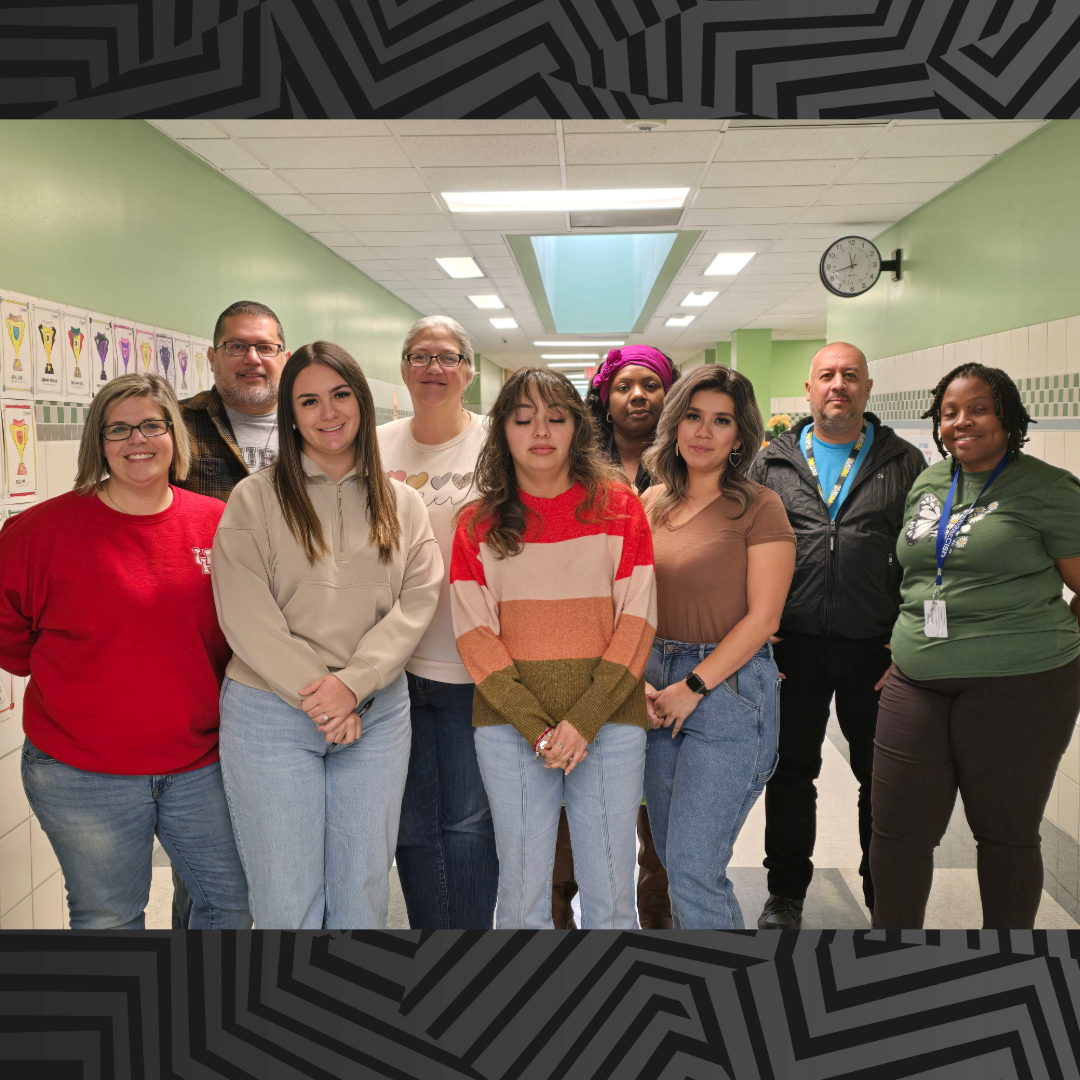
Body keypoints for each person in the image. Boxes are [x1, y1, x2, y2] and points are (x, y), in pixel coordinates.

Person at [0, 373, 251, 929]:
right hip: (82, 771)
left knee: (229, 906)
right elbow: (12, 641)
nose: (136, 440)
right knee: (109, 920)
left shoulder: (218, 523)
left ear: (174, 435)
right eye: (118, 429)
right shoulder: (40, 532)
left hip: (200, 763)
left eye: (151, 425)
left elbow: (239, 634)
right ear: (98, 441)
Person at [210, 342, 442, 929]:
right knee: (287, 901)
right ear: (290, 414)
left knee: (362, 895)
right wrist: (323, 691)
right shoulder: (255, 499)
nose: (327, 412)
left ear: (362, 402)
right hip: (271, 716)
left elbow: (418, 602)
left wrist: (355, 685)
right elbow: (244, 613)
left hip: (377, 714)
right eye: (308, 401)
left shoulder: (403, 503)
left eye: (340, 395)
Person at [872, 363, 1080, 930]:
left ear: (1008, 417)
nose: (962, 422)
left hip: (1021, 685)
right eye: (949, 412)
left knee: (1005, 834)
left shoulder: (1048, 488)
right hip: (916, 678)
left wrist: (1044, 643)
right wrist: (901, 647)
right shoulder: (931, 482)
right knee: (895, 834)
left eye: (979, 408)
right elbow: (917, 577)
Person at [450, 368, 657, 929]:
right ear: (503, 432)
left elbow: (637, 621)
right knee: (520, 889)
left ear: (577, 428)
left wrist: (584, 720)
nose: (540, 430)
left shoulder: (620, 507)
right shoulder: (477, 523)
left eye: (556, 417)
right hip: (509, 725)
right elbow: (475, 637)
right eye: (522, 419)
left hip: (610, 719)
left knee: (611, 887)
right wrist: (539, 727)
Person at [748, 342, 926, 929]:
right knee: (792, 772)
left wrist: (906, 639)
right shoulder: (771, 462)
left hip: (873, 648)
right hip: (790, 648)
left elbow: (926, 562)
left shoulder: (904, 462)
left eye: (851, 376)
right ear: (808, 389)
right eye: (826, 375)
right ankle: (786, 895)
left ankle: (884, 896)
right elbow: (738, 547)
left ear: (868, 389)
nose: (838, 386)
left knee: (881, 779)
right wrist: (754, 628)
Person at [640, 364, 794, 928]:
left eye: (721, 420)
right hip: (654, 685)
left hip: (726, 690)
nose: (703, 432)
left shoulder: (759, 506)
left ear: (739, 434)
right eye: (693, 417)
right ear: (675, 425)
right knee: (672, 860)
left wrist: (694, 685)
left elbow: (764, 617)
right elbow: (625, 602)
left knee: (693, 871)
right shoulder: (649, 502)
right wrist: (640, 681)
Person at [169, 298, 291, 927]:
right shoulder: (176, 427)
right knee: (211, 852)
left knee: (288, 844)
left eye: (265, 347)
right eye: (237, 347)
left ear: (284, 356)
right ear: (212, 355)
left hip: (302, 657)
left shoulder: (314, 422)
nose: (252, 359)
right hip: (206, 656)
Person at [376, 315, 498, 930]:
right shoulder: (375, 445)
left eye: (448, 357)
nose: (433, 368)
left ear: (468, 372)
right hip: (390, 667)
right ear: (403, 368)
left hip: (473, 666)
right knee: (411, 824)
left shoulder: (497, 443)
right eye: (420, 356)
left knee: (470, 821)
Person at [584, 344, 680, 929]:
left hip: (671, 654)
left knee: (660, 817)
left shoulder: (690, 466)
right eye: (624, 386)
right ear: (605, 396)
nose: (637, 395)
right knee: (581, 809)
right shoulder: (576, 466)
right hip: (591, 649)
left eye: (649, 385)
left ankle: (659, 921)